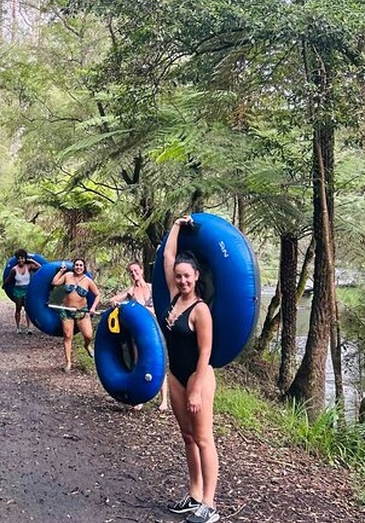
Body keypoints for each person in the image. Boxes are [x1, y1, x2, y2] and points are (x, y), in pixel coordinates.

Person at [162, 215, 220, 523]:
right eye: (179, 276)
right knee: (187, 437)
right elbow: (169, 257)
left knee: (203, 438)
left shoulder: (200, 310)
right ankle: (194, 494)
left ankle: (209, 504)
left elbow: (205, 352)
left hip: (199, 377)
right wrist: (175, 226)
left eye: (187, 276)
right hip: (176, 376)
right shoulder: (174, 298)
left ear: (196, 276)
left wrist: (196, 388)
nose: (182, 281)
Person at [108, 261, 169, 412]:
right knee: (138, 362)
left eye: (136, 271)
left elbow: (165, 302)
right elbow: (112, 300)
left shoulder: (152, 288)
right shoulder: (131, 291)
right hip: (138, 335)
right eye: (131, 272)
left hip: (156, 332)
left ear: (141, 270)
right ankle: (140, 398)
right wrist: (116, 303)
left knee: (160, 363)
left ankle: (164, 400)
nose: (134, 274)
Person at [51, 258, 101, 373]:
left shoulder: (88, 281)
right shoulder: (68, 275)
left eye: (81, 265)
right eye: (77, 265)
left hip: (81, 311)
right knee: (68, 336)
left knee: (88, 335)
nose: (78, 267)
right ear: (74, 266)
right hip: (66, 310)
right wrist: (61, 271)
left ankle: (87, 346)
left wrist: (93, 308)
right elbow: (54, 283)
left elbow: (98, 294)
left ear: (84, 268)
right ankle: (68, 362)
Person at [4, 249, 41, 334]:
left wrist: (31, 260)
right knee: (18, 309)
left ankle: (29, 328)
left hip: (27, 290)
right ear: (17, 259)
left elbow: (40, 267)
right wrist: (4, 285)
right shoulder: (14, 269)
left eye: (22, 258)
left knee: (28, 309)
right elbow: (9, 279)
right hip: (18, 291)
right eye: (19, 258)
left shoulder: (28, 266)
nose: (21, 260)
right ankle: (18, 327)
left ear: (25, 259)